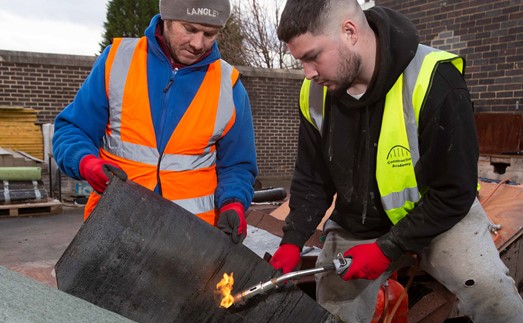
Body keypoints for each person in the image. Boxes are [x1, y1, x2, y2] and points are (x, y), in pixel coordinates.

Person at [269, 0, 523, 322]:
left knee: (491, 292)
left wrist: (388, 248)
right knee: (332, 309)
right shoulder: (314, 93)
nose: (308, 73)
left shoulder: (434, 79)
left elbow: (455, 191)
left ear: (349, 32)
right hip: (358, 225)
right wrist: (292, 239)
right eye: (300, 61)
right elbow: (312, 179)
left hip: (437, 218)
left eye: (312, 56)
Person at [52, 0, 257, 244]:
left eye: (209, 34)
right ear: (166, 19)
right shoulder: (117, 61)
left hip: (191, 239)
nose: (198, 44)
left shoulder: (228, 85)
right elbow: (73, 129)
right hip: (113, 227)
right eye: (190, 29)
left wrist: (233, 202)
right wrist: (86, 163)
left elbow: (237, 165)